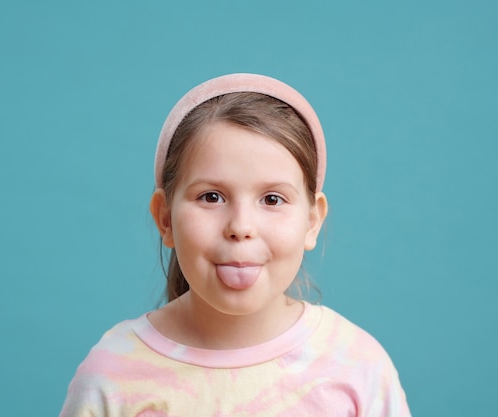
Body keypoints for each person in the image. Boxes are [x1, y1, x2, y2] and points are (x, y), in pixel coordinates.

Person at [59, 73, 411, 417]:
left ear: (311, 220)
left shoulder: (357, 367)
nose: (240, 227)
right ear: (165, 218)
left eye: (272, 200)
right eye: (211, 197)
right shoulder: (112, 376)